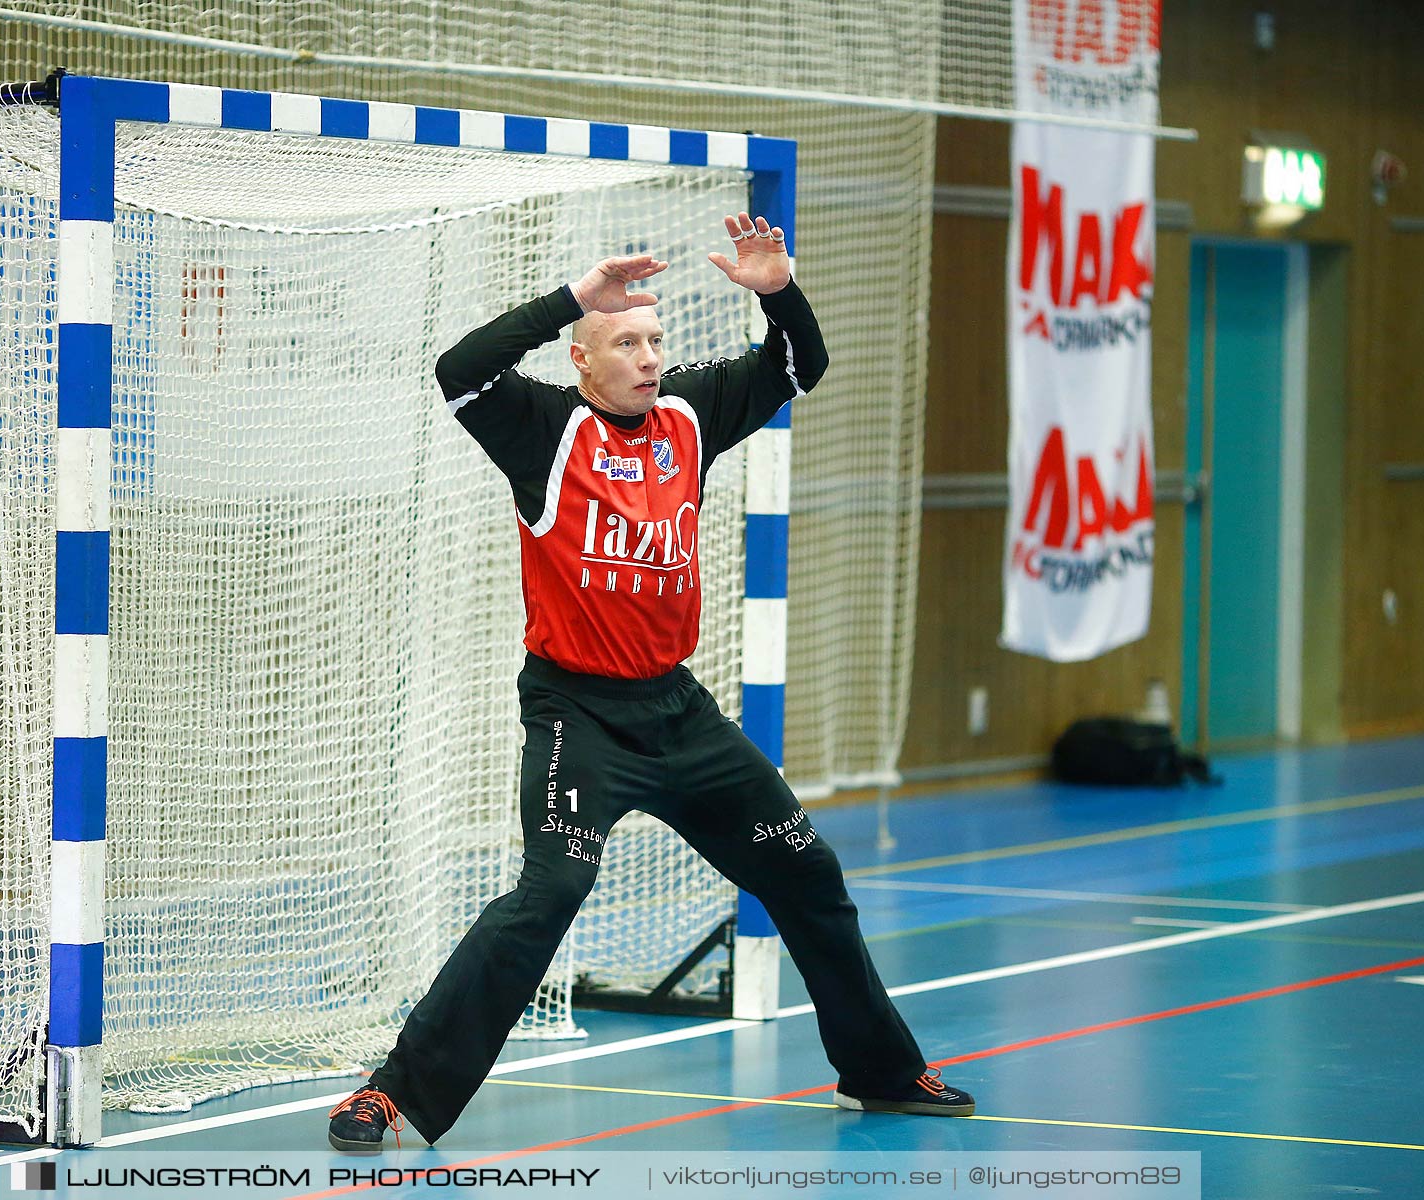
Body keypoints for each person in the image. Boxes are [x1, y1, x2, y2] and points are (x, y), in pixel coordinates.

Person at [327, 211, 974, 1153]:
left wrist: (777, 292)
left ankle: (880, 1070)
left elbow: (804, 366)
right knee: (548, 895)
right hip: (576, 718)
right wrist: (573, 301)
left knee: (808, 871)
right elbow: (458, 370)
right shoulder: (543, 428)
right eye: (625, 341)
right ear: (583, 361)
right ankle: (393, 1090)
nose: (648, 355)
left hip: (679, 714)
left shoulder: (690, 416)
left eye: (656, 340)